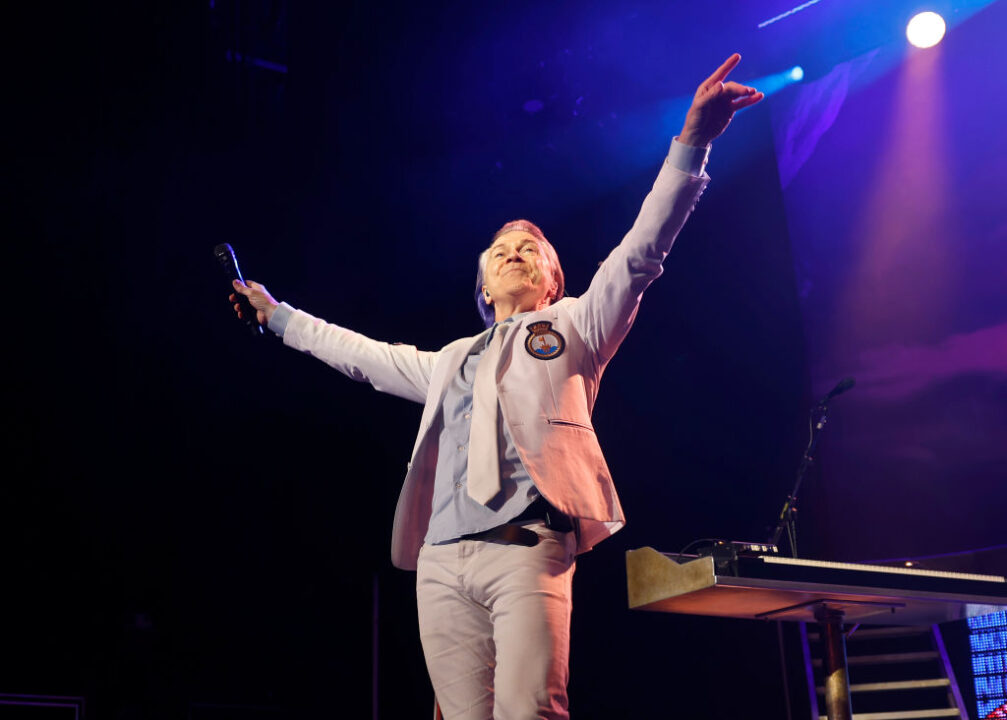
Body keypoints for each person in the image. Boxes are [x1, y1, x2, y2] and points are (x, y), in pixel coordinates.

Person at [229, 54, 762, 720]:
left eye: (530, 249)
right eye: (501, 249)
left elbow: (640, 252)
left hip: (525, 544)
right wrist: (277, 316)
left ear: (552, 282)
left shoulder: (575, 326)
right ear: (483, 285)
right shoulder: (449, 360)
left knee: (527, 710)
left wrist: (692, 145)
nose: (514, 251)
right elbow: (360, 355)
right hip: (442, 557)